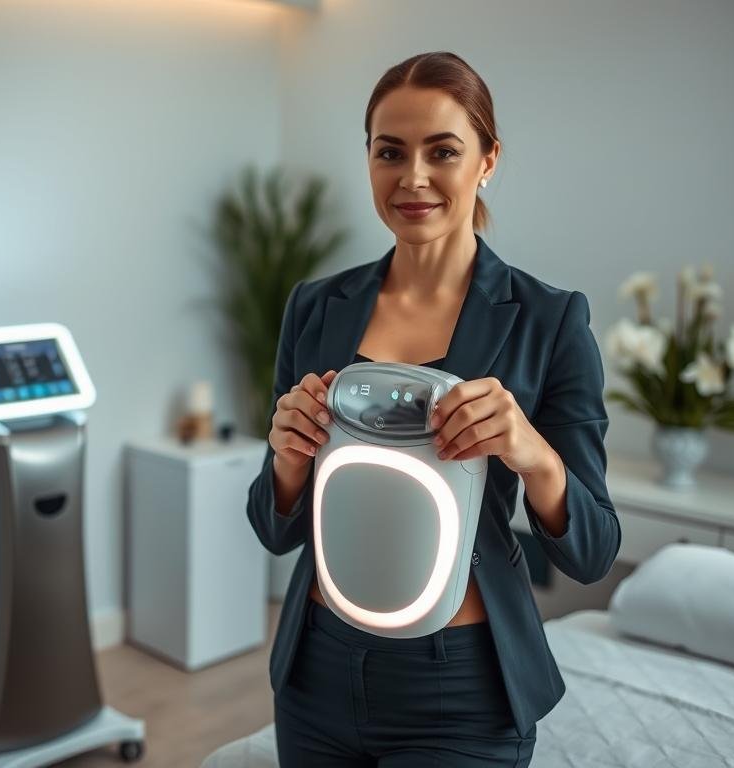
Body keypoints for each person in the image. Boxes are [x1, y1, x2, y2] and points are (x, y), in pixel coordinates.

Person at [246, 51, 621, 767]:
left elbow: (594, 551)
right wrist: (288, 460)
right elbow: (274, 527)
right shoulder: (315, 308)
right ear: (368, 160)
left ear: (487, 160)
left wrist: (532, 452)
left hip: (462, 687)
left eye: (442, 151)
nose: (412, 177)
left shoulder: (549, 321)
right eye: (390, 152)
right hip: (316, 675)